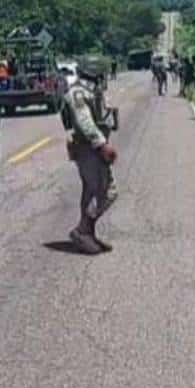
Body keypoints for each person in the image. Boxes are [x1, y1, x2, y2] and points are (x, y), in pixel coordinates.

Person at [61, 57, 119, 254]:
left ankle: (89, 234)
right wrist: (102, 145)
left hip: (92, 147)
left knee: (91, 191)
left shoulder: (92, 90)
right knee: (108, 191)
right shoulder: (78, 92)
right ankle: (82, 229)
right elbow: (85, 122)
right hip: (88, 147)